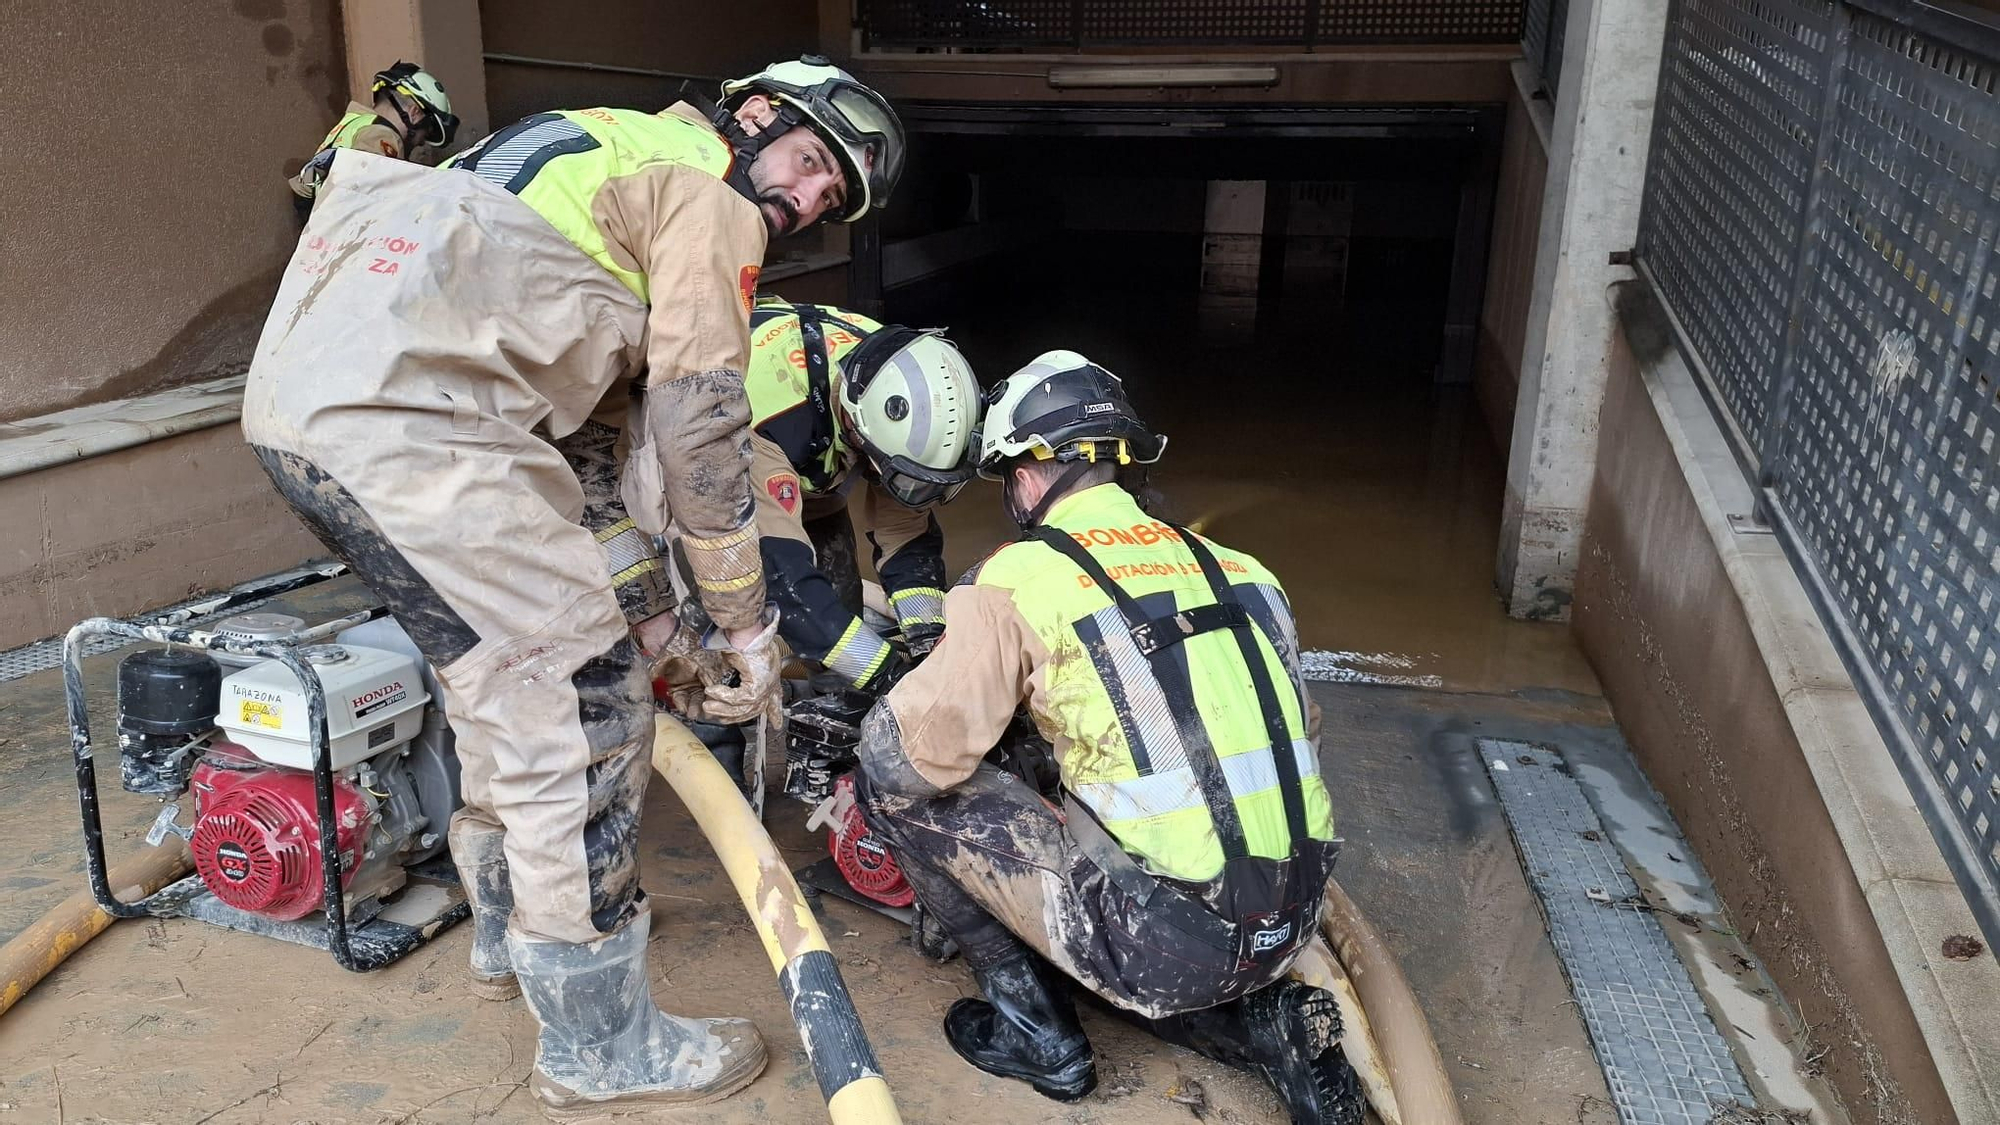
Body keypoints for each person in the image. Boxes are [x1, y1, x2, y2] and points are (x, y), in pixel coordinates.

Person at [241, 56, 904, 1116]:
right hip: (420, 424)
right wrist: (741, 624)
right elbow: (700, 429)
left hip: (307, 407)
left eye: (831, 200)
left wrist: (650, 624)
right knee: (584, 712)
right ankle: (600, 1044)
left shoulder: (599, 146)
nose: (807, 201)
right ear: (757, 113)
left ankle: (508, 933)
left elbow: (595, 468)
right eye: (814, 162)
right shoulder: (707, 193)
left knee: (499, 679)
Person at [853, 352, 1363, 1123]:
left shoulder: (1020, 576)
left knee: (887, 777)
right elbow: (1298, 731)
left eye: (1007, 475)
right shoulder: (1244, 569)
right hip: (1291, 921)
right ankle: (1268, 1026)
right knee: (1169, 898)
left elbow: (912, 757)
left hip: (1164, 945)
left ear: (1029, 472)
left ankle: (1039, 1035)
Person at [287, 61, 459, 208]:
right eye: (425, 132)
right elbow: (372, 202)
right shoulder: (382, 136)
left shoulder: (355, 123)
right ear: (414, 113)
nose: (421, 143)